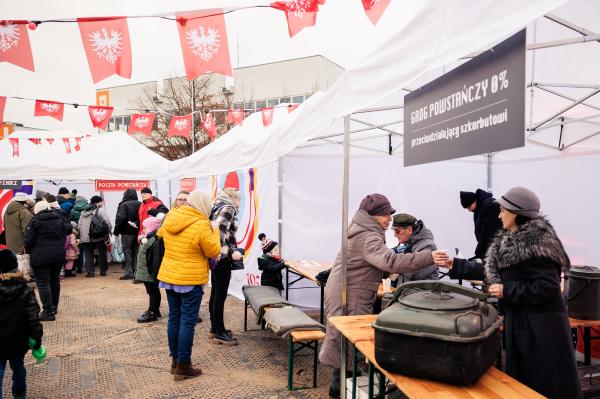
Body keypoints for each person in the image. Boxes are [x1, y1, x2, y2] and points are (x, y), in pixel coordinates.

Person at [319, 194, 449, 399]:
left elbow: (369, 263)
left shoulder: (360, 230)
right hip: (352, 295)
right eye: (386, 214)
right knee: (352, 344)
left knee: (345, 343)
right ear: (374, 215)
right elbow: (389, 260)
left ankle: (340, 389)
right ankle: (340, 391)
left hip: (347, 291)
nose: (390, 219)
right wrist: (429, 257)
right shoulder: (369, 235)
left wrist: (385, 272)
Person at [485, 187, 582, 399]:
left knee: (544, 387)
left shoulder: (536, 242)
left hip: (541, 331)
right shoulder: (511, 238)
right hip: (525, 325)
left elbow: (547, 287)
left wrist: (507, 290)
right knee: (525, 387)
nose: (499, 215)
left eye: (503, 210)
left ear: (517, 212)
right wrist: (454, 264)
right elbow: (501, 270)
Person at [157, 190, 221, 381]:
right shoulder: (202, 224)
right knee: (187, 322)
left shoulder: (172, 216)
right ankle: (184, 366)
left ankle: (175, 362)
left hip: (169, 276)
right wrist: (215, 231)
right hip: (190, 279)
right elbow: (213, 251)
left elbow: (161, 235)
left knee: (174, 319)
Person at [0, 249, 44, 399]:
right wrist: (37, 340)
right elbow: (33, 318)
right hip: (18, 340)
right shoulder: (25, 289)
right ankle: (19, 393)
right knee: (18, 367)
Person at [209, 187, 241, 345]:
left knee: (215, 292)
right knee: (219, 295)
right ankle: (219, 332)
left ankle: (215, 328)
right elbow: (220, 233)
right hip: (221, 257)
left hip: (217, 257)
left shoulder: (217, 206)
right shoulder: (228, 208)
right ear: (234, 197)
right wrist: (227, 253)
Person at [24, 201, 67, 321]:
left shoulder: (35, 221)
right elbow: (65, 235)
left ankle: (48, 312)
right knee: (54, 281)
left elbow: (28, 241)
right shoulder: (59, 219)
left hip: (41, 256)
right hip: (58, 254)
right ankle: (54, 308)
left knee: (43, 283)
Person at [390, 213, 438, 285]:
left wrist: (394, 265)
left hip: (422, 293)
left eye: (397, 231)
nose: (394, 235)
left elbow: (414, 273)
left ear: (409, 230)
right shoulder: (408, 243)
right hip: (406, 291)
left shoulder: (429, 246)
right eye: (393, 231)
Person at [134, 216, 164, 323]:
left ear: (152, 228)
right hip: (146, 271)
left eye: (145, 228)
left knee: (153, 291)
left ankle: (153, 312)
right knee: (151, 291)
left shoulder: (153, 239)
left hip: (149, 272)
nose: (143, 230)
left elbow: (154, 258)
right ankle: (154, 310)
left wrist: (153, 272)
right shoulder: (148, 238)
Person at [460, 189, 502, 259]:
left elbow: (488, 233)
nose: (469, 210)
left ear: (474, 201)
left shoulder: (488, 206)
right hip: (491, 250)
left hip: (496, 251)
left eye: (469, 207)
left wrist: (479, 254)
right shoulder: (478, 209)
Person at [78, 195, 112, 278]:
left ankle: (90, 272)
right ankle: (103, 271)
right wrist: (109, 231)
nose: (103, 203)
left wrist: (83, 235)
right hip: (98, 236)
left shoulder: (83, 212)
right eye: (102, 201)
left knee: (88, 254)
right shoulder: (100, 210)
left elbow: (79, 225)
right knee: (102, 253)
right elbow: (107, 222)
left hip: (86, 237)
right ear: (98, 202)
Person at [114, 188, 141, 280]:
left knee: (127, 252)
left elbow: (120, 218)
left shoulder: (123, 204)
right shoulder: (140, 204)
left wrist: (116, 231)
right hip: (138, 232)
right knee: (137, 252)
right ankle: (137, 272)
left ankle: (129, 272)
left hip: (127, 233)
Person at [70, 196, 88, 274]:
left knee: (77, 249)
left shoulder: (73, 210)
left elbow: (70, 221)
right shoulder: (88, 209)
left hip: (76, 232)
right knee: (87, 250)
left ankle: (78, 267)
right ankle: (86, 266)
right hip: (86, 231)